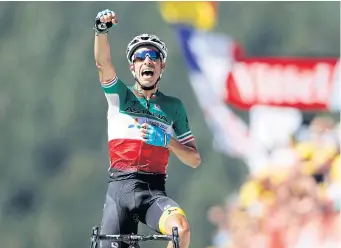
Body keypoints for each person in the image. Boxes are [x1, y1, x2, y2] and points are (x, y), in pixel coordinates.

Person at [93, 9, 201, 248]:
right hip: (119, 191)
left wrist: (168, 142)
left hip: (153, 192)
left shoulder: (173, 107)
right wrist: (100, 31)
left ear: (162, 67)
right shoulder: (120, 96)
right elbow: (103, 64)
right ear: (133, 67)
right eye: (140, 57)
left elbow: (194, 159)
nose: (147, 61)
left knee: (180, 230)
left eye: (153, 56)